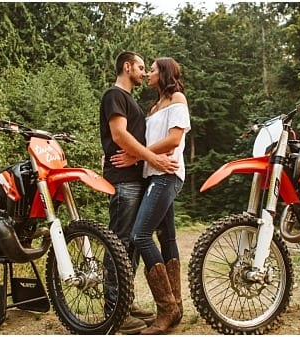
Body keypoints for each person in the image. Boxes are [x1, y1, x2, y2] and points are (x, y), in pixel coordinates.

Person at [100, 50, 179, 333]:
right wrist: (151, 158)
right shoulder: (114, 95)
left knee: (131, 246)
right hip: (122, 179)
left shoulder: (131, 100)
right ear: (127, 66)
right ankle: (113, 310)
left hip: (136, 178)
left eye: (148, 69)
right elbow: (119, 135)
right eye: (141, 67)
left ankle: (125, 302)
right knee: (119, 242)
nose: (145, 73)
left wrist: (145, 159)